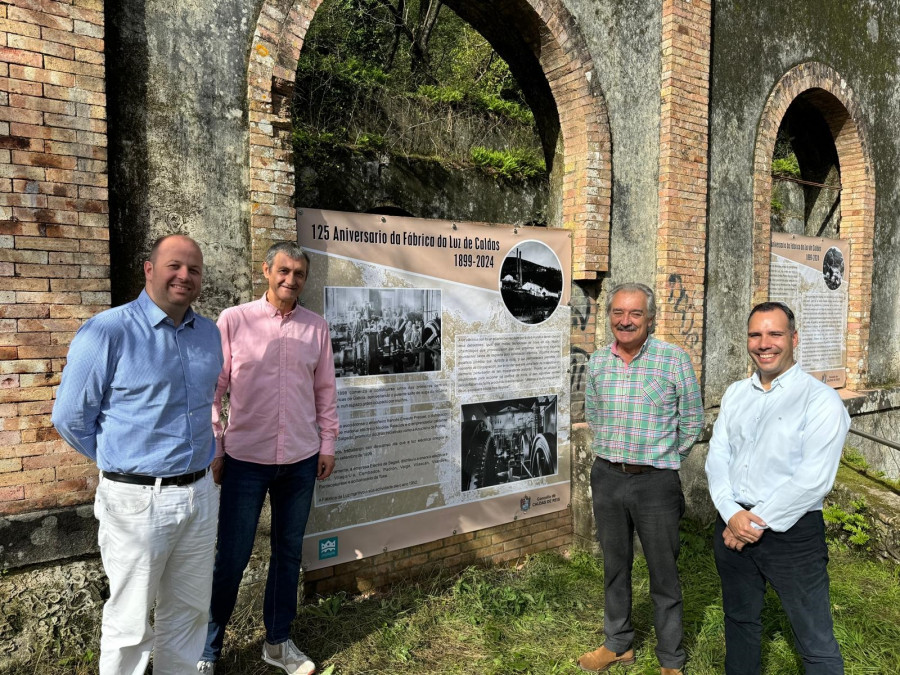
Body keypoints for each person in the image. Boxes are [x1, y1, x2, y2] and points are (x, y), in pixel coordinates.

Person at [52, 234, 223, 675]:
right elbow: (70, 417)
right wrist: (121, 463)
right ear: (149, 269)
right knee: (129, 623)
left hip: (200, 494)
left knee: (188, 612)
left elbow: (207, 406)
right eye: (174, 265)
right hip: (136, 502)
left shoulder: (208, 334)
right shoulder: (107, 331)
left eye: (194, 269)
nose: (185, 276)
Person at [199, 241, 339, 675]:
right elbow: (214, 391)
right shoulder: (235, 320)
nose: (290, 280)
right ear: (266, 270)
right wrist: (217, 446)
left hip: (300, 458)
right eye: (283, 271)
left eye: (298, 274)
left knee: (287, 555)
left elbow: (325, 392)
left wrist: (328, 443)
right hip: (245, 459)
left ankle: (277, 642)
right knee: (233, 557)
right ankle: (207, 648)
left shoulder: (316, 327)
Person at [705, 302, 849, 674]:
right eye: (756, 334)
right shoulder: (736, 393)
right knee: (740, 623)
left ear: (793, 339)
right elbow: (718, 457)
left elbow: (813, 479)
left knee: (814, 638)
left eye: (775, 334)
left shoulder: (821, 400)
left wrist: (752, 523)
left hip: (792, 533)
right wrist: (732, 513)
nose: (764, 343)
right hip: (732, 522)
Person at [578, 282, 703, 675]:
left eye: (635, 314)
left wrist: (666, 460)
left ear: (650, 319)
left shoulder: (673, 360)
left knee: (663, 571)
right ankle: (618, 644)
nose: (625, 321)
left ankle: (671, 659)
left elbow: (693, 420)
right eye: (618, 313)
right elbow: (594, 414)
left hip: (655, 483)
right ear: (609, 318)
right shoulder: (598, 362)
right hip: (608, 477)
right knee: (615, 565)